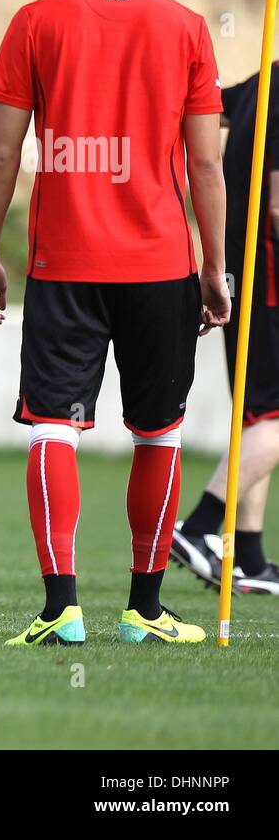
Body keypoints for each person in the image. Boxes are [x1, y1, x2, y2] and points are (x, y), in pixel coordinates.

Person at [0, 0, 229, 645]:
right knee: (158, 433)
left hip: (65, 263)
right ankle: (144, 610)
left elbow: (1, 155)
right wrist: (213, 268)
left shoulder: (35, 20)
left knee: (55, 427)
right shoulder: (186, 26)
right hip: (161, 265)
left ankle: (62, 610)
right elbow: (208, 165)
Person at [172, 64, 279, 594]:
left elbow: (204, 102)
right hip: (269, 280)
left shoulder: (264, 84)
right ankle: (197, 528)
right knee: (275, 419)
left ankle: (250, 558)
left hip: (244, 274)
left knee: (259, 415)